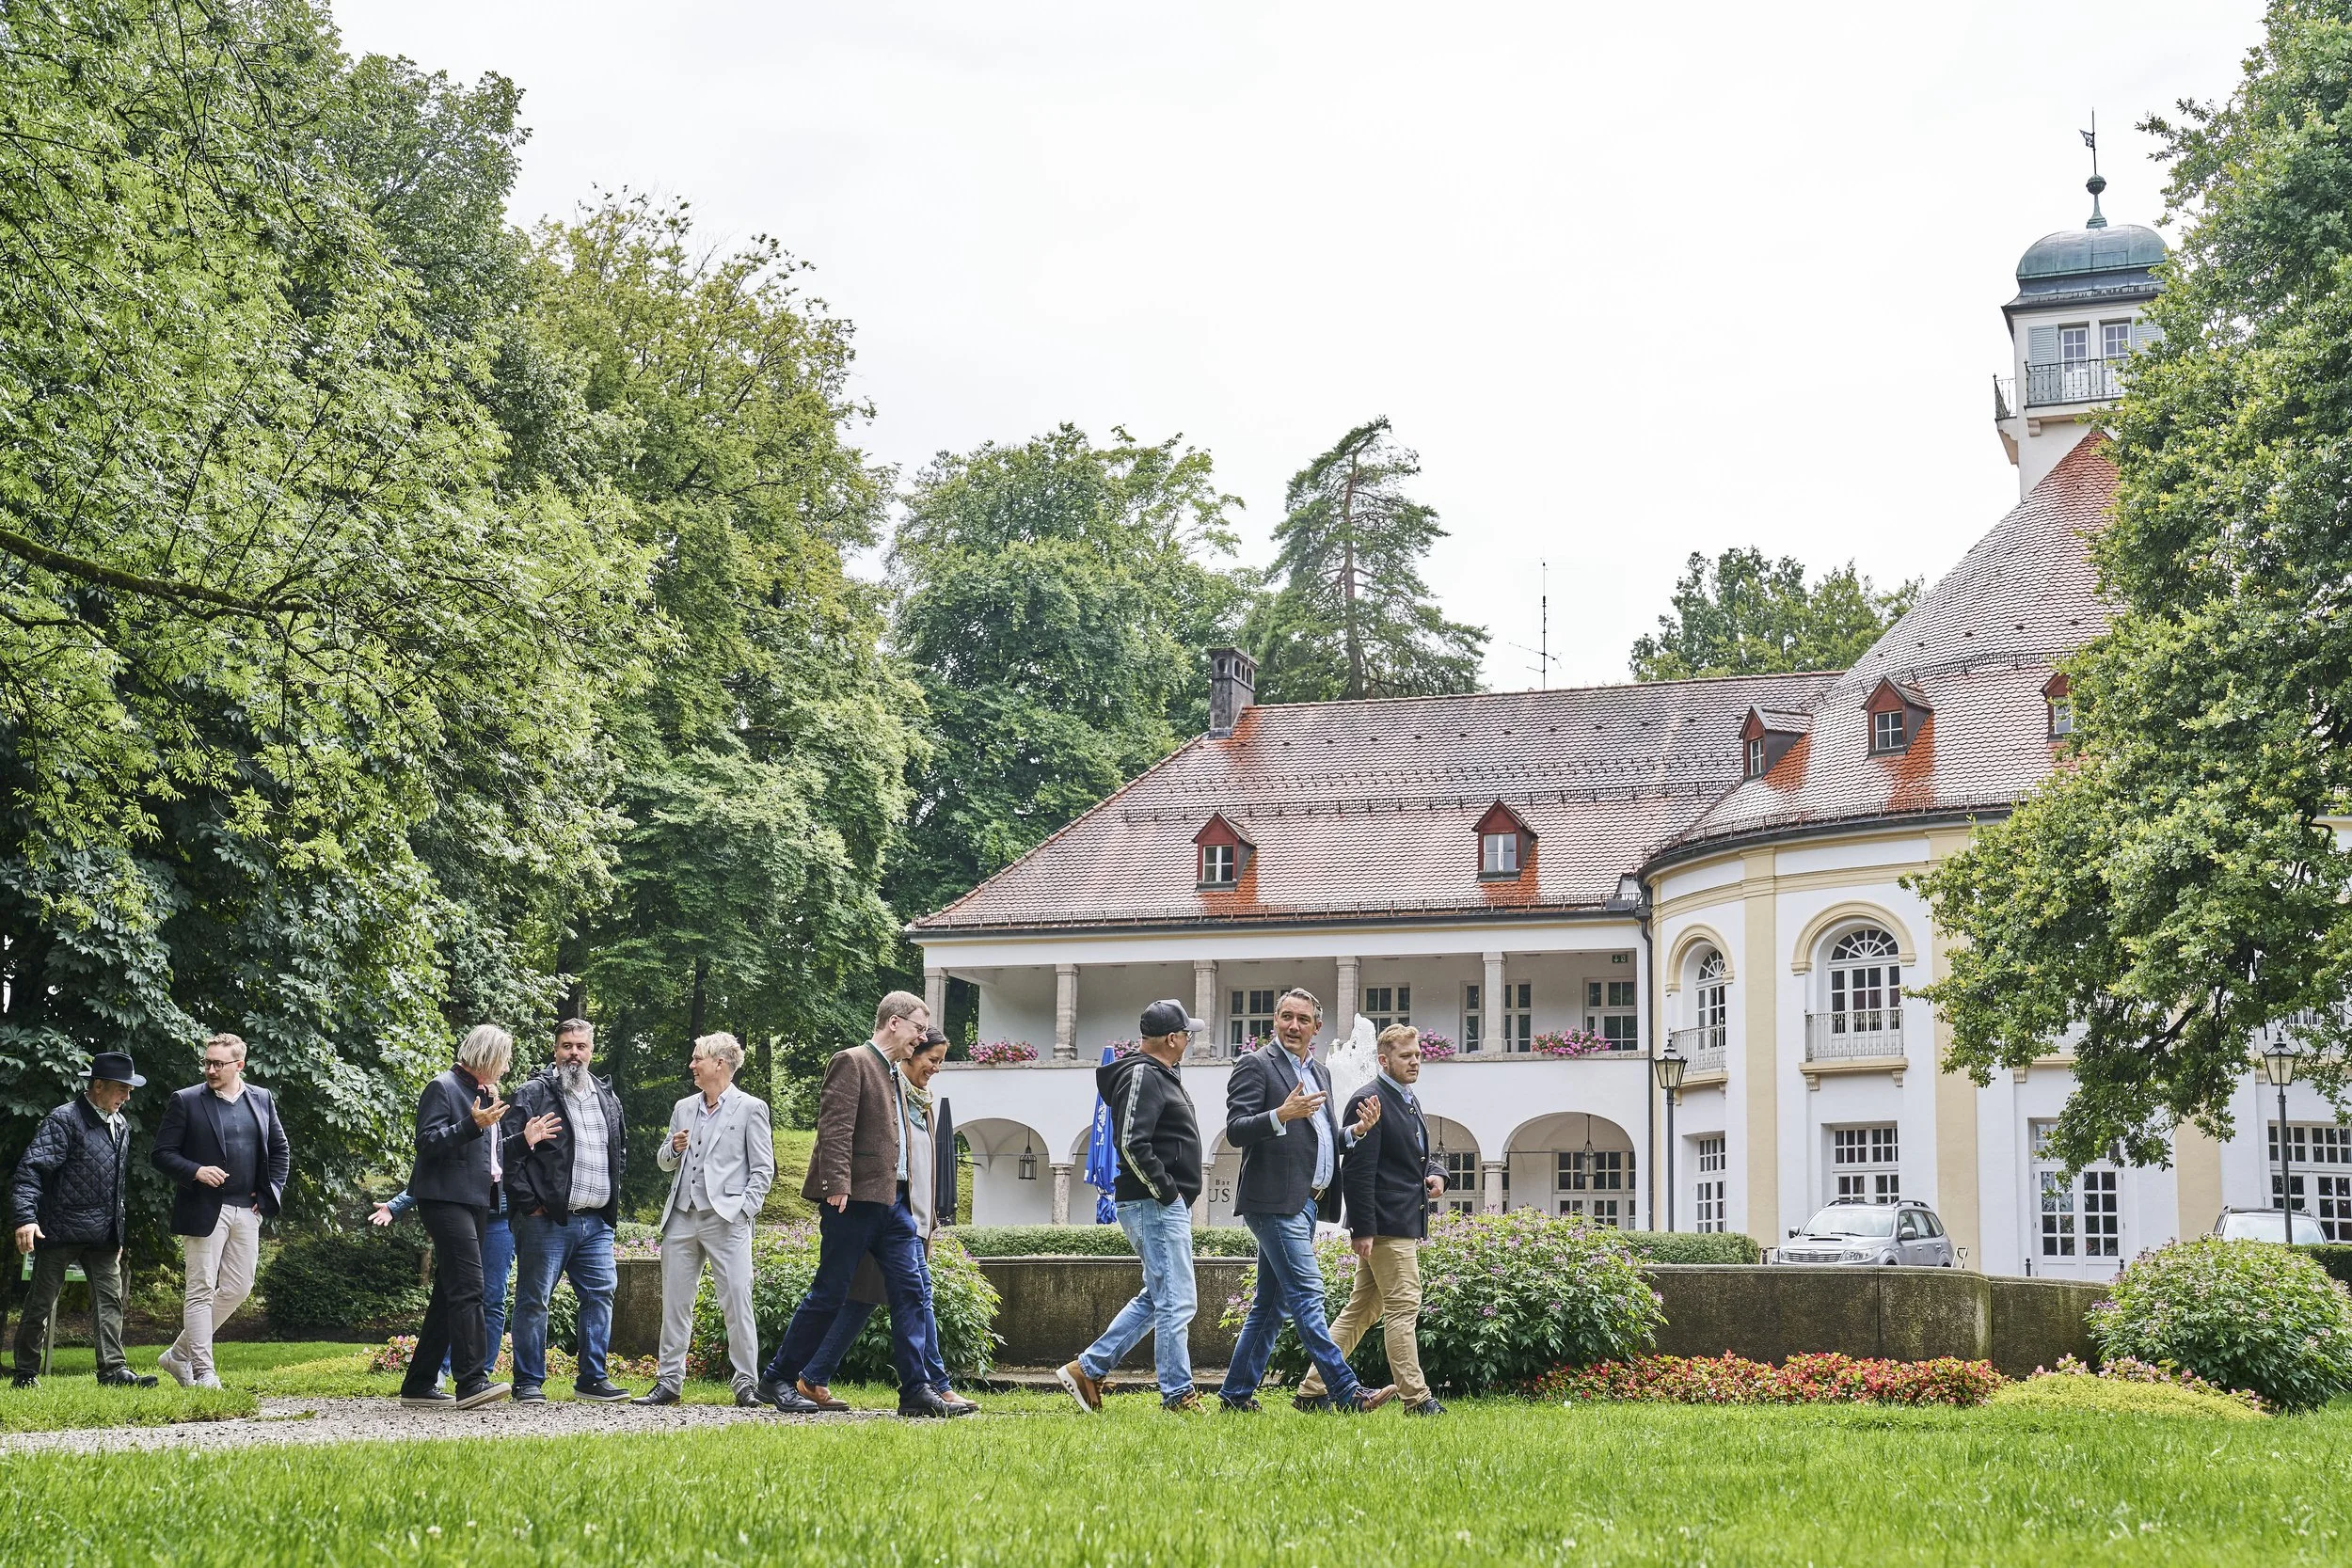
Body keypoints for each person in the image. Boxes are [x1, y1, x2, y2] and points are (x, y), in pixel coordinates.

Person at [756, 991, 945, 1418]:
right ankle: (778, 1378)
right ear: (894, 1023)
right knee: (830, 1292)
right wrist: (835, 1183)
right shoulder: (853, 1060)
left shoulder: (896, 1073)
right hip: (853, 1202)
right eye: (917, 1028)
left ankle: (916, 1390)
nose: (921, 1038)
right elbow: (835, 1127)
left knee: (910, 1292)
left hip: (894, 1205)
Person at [1218, 988, 1395, 1414]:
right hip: (1272, 1200)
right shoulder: (1255, 1065)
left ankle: (1236, 1395)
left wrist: (1355, 1133)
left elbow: (1321, 1136)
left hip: (1308, 1201)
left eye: (1302, 1019)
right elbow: (1236, 1129)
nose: (1293, 1026)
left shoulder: (1321, 1072)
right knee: (1307, 1292)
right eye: (1285, 1017)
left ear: (1316, 1027)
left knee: (1270, 1304)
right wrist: (1281, 1114)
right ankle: (1345, 1390)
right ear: (1275, 1021)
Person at [796, 1028, 977, 1416]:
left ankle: (812, 1376)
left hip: (908, 1217)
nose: (936, 1068)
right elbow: (841, 1136)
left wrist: (929, 1219)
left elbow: (921, 1168)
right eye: (932, 1058)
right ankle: (936, 1386)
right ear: (910, 1053)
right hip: (879, 1211)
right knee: (913, 1296)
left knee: (861, 1301)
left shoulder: (920, 1104)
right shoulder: (884, 1096)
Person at [1057, 1000, 1209, 1415]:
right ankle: (1178, 1395)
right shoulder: (1143, 1073)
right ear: (1173, 1038)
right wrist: (1167, 1192)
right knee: (1177, 1300)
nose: (1190, 1041)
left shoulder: (1158, 1074)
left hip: (1156, 1203)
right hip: (1152, 1202)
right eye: (1187, 1034)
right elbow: (1130, 1141)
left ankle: (1088, 1368)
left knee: (1160, 1296)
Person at [1295, 1024, 1449, 1416]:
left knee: (1363, 1308)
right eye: (1406, 1057)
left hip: (1399, 1220)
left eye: (1417, 1055)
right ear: (1383, 1060)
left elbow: (1414, 1155)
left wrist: (1437, 1174)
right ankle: (1418, 1399)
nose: (1415, 1062)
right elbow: (1359, 1172)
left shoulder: (1406, 1097)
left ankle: (1312, 1390)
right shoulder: (1370, 1100)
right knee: (1404, 1305)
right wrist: (1361, 1229)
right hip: (1385, 1225)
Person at [634, 1032, 775, 1408]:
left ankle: (746, 1383)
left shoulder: (750, 1108)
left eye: (698, 1058)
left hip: (726, 1219)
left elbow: (763, 1169)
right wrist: (673, 1149)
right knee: (675, 1304)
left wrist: (744, 1210)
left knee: (737, 1302)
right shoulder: (683, 1107)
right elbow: (664, 1160)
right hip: (681, 1216)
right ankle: (669, 1382)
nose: (692, 1065)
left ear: (720, 1064)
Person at [151, 1032, 291, 1389]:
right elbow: (161, 1154)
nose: (210, 1069)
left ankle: (177, 1355)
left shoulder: (262, 1098)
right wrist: (195, 1171)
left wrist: (269, 1193)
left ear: (239, 1065)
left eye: (218, 1063)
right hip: (203, 1208)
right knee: (199, 1289)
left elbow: (280, 1150)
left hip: (248, 1209)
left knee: (239, 1287)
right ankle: (203, 1371)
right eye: (207, 1062)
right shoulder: (186, 1101)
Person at [9, 1053, 156, 1389]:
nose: (127, 1096)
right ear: (98, 1085)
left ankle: (113, 1372)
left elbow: (116, 1186)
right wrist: (25, 1219)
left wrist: (118, 1234)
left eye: (130, 1090)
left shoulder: (121, 1125)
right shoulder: (63, 1120)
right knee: (40, 1304)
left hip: (104, 1234)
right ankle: (26, 1374)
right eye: (122, 1088)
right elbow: (31, 1172)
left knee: (110, 1300)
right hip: (59, 1230)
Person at [503, 1018, 632, 1403]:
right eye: (566, 1046)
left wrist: (609, 1202)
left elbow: (618, 1153)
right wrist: (530, 1204)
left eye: (581, 1046)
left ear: (592, 1051)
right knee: (534, 1300)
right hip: (547, 1221)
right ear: (555, 1049)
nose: (573, 1053)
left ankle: (591, 1378)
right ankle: (528, 1383)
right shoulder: (533, 1093)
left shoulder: (608, 1098)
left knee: (600, 1295)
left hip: (596, 1222)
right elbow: (507, 1153)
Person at [398, 1024, 515, 1411]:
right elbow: (427, 1142)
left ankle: (418, 1383)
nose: (508, 1065)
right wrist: (472, 1125)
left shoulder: (482, 1094)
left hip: (476, 1202)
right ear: (487, 1056)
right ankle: (472, 1380)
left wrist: (513, 1137)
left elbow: (488, 1156)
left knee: (449, 1294)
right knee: (469, 1287)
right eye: (504, 1058)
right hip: (444, 1200)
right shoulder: (443, 1087)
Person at [371, 1179, 515, 1385]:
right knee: (456, 1293)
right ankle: (441, 1368)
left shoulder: (506, 1145)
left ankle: (480, 1374)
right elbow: (437, 1174)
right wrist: (397, 1205)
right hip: (463, 1213)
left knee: (492, 1297)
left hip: (500, 1218)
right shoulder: (468, 1145)